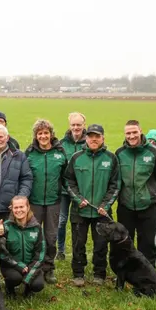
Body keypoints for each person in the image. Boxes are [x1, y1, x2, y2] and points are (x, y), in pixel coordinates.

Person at [63, 124, 120, 287]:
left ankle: (99, 273)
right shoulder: (76, 157)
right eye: (90, 136)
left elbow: (115, 185)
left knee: (101, 244)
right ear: (86, 138)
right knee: (78, 243)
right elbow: (68, 181)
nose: (93, 139)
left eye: (97, 136)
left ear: (103, 138)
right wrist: (77, 198)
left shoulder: (111, 158)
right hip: (79, 210)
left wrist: (106, 204)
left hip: (101, 212)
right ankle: (78, 273)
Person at [115, 119, 156, 265]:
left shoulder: (153, 152)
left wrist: (151, 195)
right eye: (128, 133)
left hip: (148, 206)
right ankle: (125, 271)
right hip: (126, 205)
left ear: (140, 131)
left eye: (134, 132)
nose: (131, 136)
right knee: (124, 241)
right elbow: (117, 179)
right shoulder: (120, 153)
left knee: (147, 243)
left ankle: (148, 274)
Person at [24, 119, 67, 284]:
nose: (43, 136)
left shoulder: (60, 152)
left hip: (53, 201)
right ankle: (34, 267)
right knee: (34, 236)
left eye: (46, 133)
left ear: (51, 134)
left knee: (50, 237)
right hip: (34, 202)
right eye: (40, 133)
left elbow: (66, 176)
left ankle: (49, 268)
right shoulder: (29, 153)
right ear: (36, 136)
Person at [0, 196, 46, 296]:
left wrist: (30, 274)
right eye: (16, 207)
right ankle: (9, 287)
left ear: (28, 207)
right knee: (15, 278)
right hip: (12, 265)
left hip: (30, 265)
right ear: (11, 209)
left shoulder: (37, 227)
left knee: (38, 285)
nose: (19, 210)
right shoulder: (6, 227)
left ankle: (29, 288)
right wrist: (18, 265)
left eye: (21, 207)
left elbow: (40, 253)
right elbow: (2, 253)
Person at [57, 112, 87, 260]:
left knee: (78, 222)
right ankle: (60, 250)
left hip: (81, 191)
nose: (76, 127)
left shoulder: (88, 143)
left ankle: (78, 250)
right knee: (61, 220)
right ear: (69, 126)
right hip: (64, 190)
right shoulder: (62, 144)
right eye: (73, 125)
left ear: (84, 126)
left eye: (79, 125)